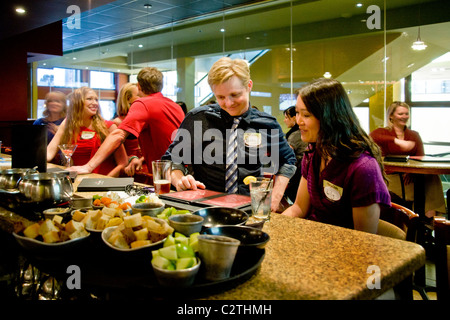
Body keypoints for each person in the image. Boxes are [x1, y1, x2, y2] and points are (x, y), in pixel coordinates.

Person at [161, 57, 297, 212]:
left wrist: (275, 198)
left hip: (248, 207)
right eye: (221, 97)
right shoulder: (198, 118)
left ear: (249, 86)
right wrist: (179, 180)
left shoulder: (267, 123)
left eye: (235, 94)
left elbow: (288, 160)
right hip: (204, 206)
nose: (229, 103)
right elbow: (171, 159)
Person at [282, 78, 391, 233]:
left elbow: (365, 240)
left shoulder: (363, 168)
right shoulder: (313, 153)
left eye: (306, 115)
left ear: (329, 117)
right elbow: (299, 208)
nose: (298, 121)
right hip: (313, 241)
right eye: (297, 113)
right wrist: (273, 228)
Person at [66, 67, 185, 177]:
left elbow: (118, 135)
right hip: (182, 172)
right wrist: (139, 159)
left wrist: (89, 166)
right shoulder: (175, 106)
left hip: (165, 173)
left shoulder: (143, 103)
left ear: (139, 86)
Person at [370, 101, 446, 218]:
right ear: (391, 116)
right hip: (390, 176)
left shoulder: (414, 135)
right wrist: (396, 141)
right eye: (401, 114)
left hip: (410, 176)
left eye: (406, 113)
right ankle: (429, 219)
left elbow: (421, 156)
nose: (404, 117)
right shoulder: (382, 132)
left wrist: (410, 171)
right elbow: (371, 136)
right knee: (427, 183)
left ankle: (430, 217)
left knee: (432, 178)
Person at [47, 87, 128, 177]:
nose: (94, 103)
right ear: (77, 102)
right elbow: (49, 152)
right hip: (77, 178)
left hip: (101, 179)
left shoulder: (108, 126)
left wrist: (106, 180)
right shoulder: (67, 123)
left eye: (96, 100)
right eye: (89, 99)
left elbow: (123, 163)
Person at [283, 106, 308, 202]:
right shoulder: (295, 133)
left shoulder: (295, 135)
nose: (285, 120)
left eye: (286, 117)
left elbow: (286, 154)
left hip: (297, 172)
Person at [113, 82, 143, 161]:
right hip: (130, 167)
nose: (143, 98)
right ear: (128, 99)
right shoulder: (118, 122)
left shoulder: (144, 119)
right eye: (139, 95)